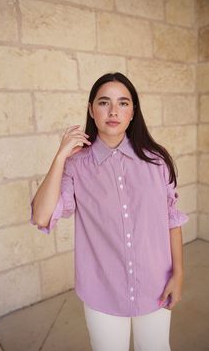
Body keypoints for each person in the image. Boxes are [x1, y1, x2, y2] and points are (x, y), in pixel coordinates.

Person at [30, 72, 189, 351]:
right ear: (92, 110)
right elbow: (42, 215)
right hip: (102, 290)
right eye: (104, 102)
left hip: (156, 286)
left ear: (133, 112)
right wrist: (60, 156)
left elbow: (171, 221)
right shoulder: (76, 165)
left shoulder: (157, 161)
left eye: (123, 103)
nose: (114, 111)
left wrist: (179, 273)